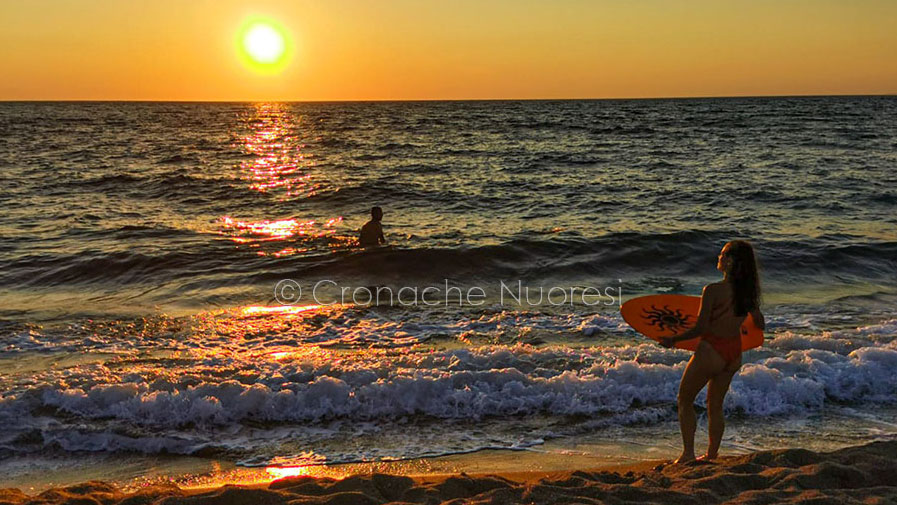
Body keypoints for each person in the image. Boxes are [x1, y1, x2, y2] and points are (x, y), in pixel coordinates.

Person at [660, 240, 765, 464]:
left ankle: (688, 454)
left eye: (723, 254)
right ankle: (712, 454)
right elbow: (760, 324)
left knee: (684, 399)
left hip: (712, 350)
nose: (719, 257)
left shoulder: (713, 290)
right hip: (734, 352)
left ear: (731, 262)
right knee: (715, 405)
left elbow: (701, 328)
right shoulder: (747, 294)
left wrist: (674, 339)